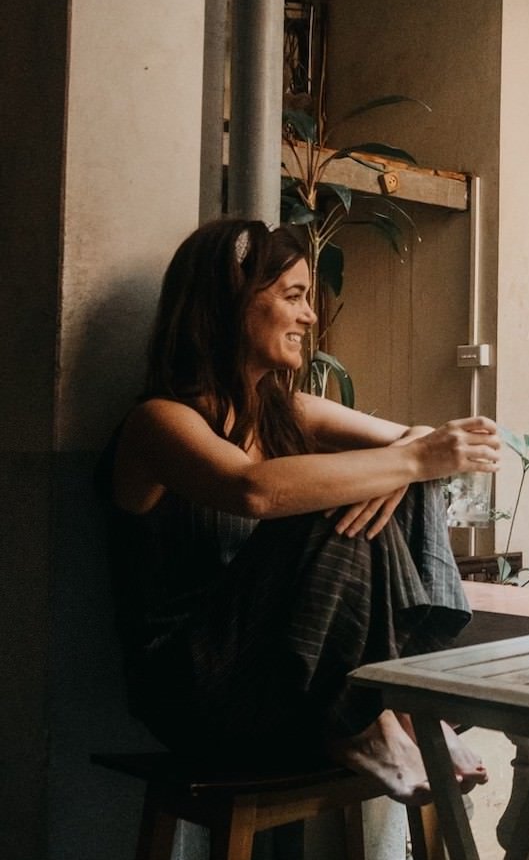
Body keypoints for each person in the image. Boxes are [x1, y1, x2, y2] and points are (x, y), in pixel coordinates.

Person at [99, 217, 500, 802]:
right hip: (199, 691)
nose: (310, 316)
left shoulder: (289, 410)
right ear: (228, 304)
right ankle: (367, 718)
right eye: (293, 296)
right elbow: (253, 490)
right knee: (331, 496)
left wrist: (410, 460)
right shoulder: (158, 423)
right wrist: (409, 460)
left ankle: (401, 701)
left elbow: (422, 440)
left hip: (283, 676)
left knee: (384, 481)